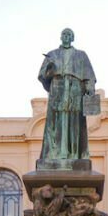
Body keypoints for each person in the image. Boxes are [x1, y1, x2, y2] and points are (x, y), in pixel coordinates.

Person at [37, 28, 96, 169]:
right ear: (60, 37)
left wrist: (90, 88)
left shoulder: (81, 55)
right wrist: (50, 70)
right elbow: (42, 75)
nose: (66, 37)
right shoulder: (52, 54)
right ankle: (55, 153)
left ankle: (74, 154)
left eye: (69, 34)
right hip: (57, 87)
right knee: (56, 122)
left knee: (75, 121)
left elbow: (89, 75)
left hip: (75, 88)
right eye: (64, 34)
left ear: (73, 38)